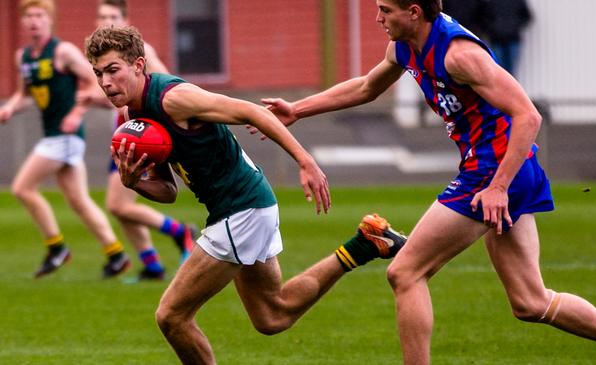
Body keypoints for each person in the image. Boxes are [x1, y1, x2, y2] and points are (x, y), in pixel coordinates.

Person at [256, 1, 596, 364]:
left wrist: (496, 187)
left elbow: (528, 116)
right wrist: (298, 109)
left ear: (413, 12)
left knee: (405, 272)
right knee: (531, 302)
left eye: (384, 10)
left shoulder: (459, 54)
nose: (378, 18)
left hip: (494, 172)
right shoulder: (404, 45)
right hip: (497, 171)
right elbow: (366, 87)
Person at [84, 25, 407, 364]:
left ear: (138, 65)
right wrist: (133, 181)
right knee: (272, 316)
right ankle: (367, 242)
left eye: (112, 70)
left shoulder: (173, 99)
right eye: (98, 73)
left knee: (171, 316)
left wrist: (305, 160)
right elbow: (168, 192)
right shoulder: (132, 117)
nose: (105, 82)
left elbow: (250, 111)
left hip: (242, 210)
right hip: (246, 208)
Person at [0, 0, 130, 278]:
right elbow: (25, 94)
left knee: (22, 188)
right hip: (54, 135)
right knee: (79, 200)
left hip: (65, 136)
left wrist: (76, 112)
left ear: (50, 19)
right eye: (29, 16)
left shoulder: (63, 51)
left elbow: (94, 81)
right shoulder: (23, 56)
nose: (34, 21)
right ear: (24, 22)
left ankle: (56, 247)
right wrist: (10, 107)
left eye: (40, 15)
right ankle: (116, 253)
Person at [94, 0, 197, 281]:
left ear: (125, 18)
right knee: (121, 208)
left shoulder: (142, 52)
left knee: (118, 205)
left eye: (112, 16)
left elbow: (167, 83)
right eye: (101, 16)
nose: (105, 21)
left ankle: (181, 232)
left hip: (143, 137)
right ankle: (151, 265)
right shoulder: (102, 58)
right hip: (123, 137)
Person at [479, 0, 532, 76]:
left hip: (513, 39)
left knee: (511, 72)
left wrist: (514, 27)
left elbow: (527, 16)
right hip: (496, 40)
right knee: (498, 70)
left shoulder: (517, 2)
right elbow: (483, 18)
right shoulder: (491, 2)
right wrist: (492, 29)